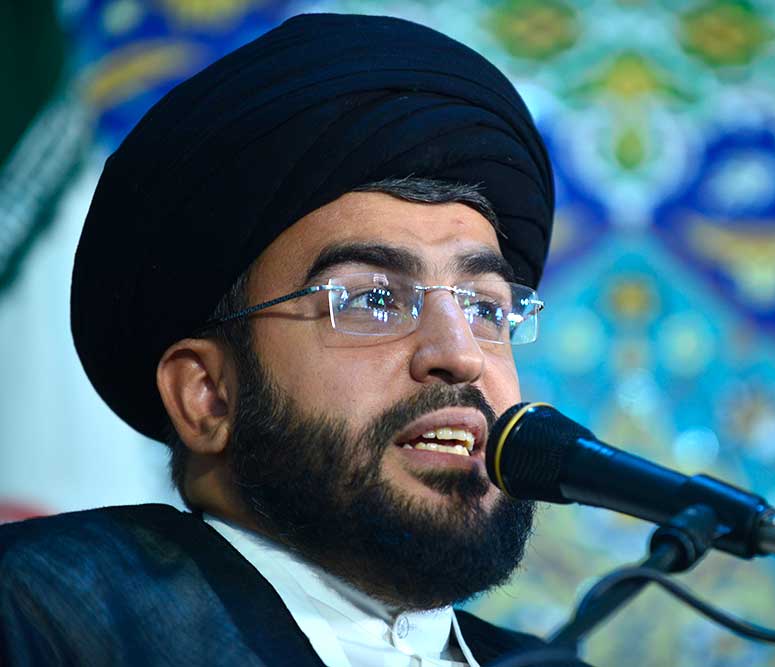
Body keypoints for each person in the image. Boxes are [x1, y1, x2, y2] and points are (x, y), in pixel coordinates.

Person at [0, 13, 588, 666]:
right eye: (372, 299)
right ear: (207, 394)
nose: (460, 354)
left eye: (485, 307)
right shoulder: (47, 616)